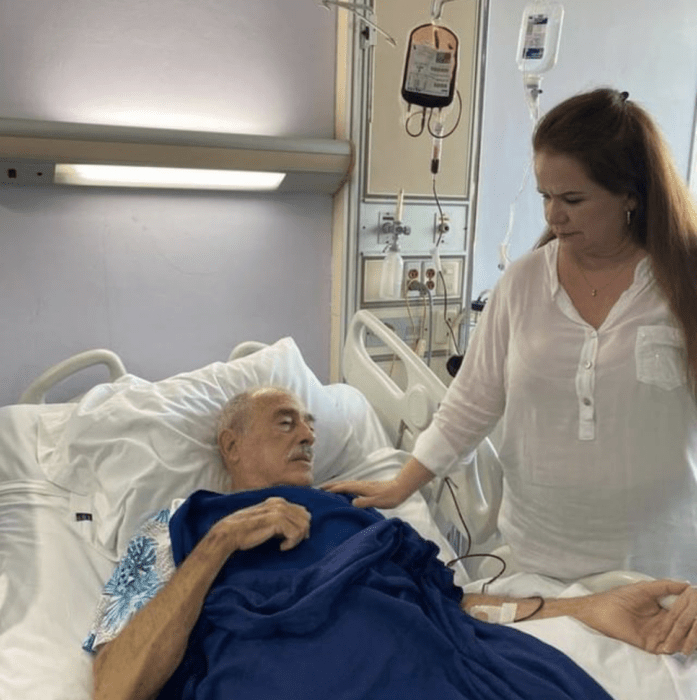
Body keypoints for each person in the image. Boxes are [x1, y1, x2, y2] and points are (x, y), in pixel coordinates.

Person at [87, 386, 697, 700]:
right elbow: (116, 686)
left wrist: (586, 608)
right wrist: (219, 542)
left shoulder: (351, 515)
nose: (307, 433)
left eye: (311, 424)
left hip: (426, 668)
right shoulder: (178, 526)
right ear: (230, 446)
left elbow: (450, 607)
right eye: (285, 421)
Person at [326, 87, 697, 583]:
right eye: (545, 196)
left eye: (572, 199)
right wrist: (402, 485)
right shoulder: (522, 285)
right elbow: (472, 402)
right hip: (539, 561)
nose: (551, 215)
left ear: (630, 194)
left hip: (661, 567)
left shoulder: (683, 285)